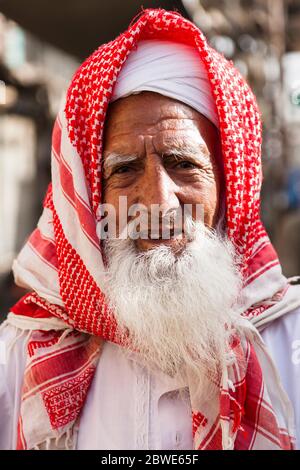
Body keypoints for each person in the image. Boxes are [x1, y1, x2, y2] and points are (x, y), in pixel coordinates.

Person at [0, 8, 300, 451]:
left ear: (229, 183)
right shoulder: (20, 358)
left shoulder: (289, 348)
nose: (158, 201)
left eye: (184, 164)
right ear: (89, 199)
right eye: (124, 170)